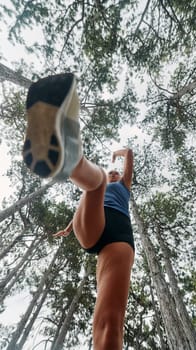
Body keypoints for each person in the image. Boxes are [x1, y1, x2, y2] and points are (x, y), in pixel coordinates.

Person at [22, 73, 135, 350]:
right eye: (114, 175)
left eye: (117, 175)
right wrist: (72, 223)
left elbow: (127, 152)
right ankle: (71, 158)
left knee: (108, 324)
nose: (115, 176)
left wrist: (115, 162)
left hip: (117, 237)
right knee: (94, 185)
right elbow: (86, 208)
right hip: (94, 216)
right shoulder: (102, 182)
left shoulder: (124, 184)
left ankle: (73, 158)